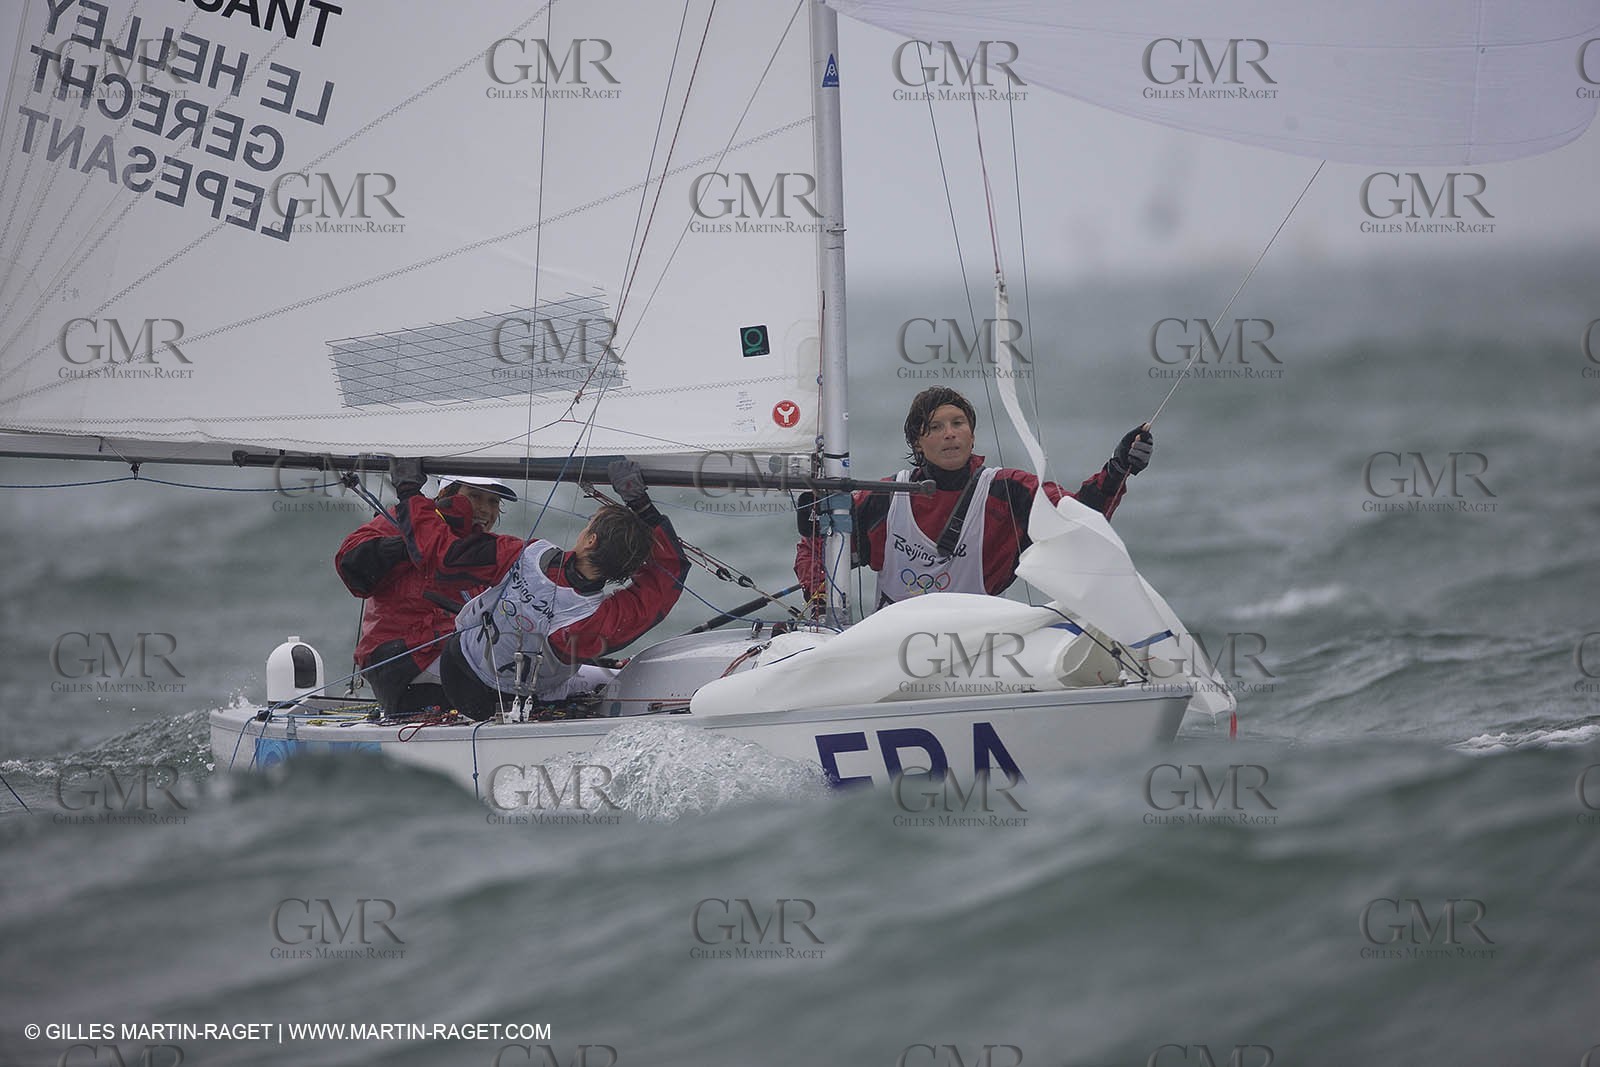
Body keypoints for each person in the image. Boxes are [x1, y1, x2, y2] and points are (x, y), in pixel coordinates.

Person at [794, 386, 1154, 610]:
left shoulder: (1008, 490)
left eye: (957, 423)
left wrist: (1119, 467)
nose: (949, 434)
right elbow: (816, 547)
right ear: (917, 443)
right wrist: (819, 601)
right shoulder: (885, 499)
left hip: (978, 649)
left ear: (972, 434)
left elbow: (1077, 521)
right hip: (891, 654)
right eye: (934, 427)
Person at [392, 459, 690, 721]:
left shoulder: (522, 555)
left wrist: (408, 492)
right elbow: (668, 576)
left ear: (590, 541)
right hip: (504, 702)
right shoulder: (600, 620)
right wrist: (644, 508)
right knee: (613, 680)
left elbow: (439, 557)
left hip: (456, 670)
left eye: (589, 525)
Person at [334, 472, 520, 715]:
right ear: (444, 495)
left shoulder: (484, 547)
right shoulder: (406, 522)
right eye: (475, 496)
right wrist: (415, 541)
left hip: (449, 662)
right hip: (400, 662)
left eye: (493, 501)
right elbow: (351, 568)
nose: (485, 509)